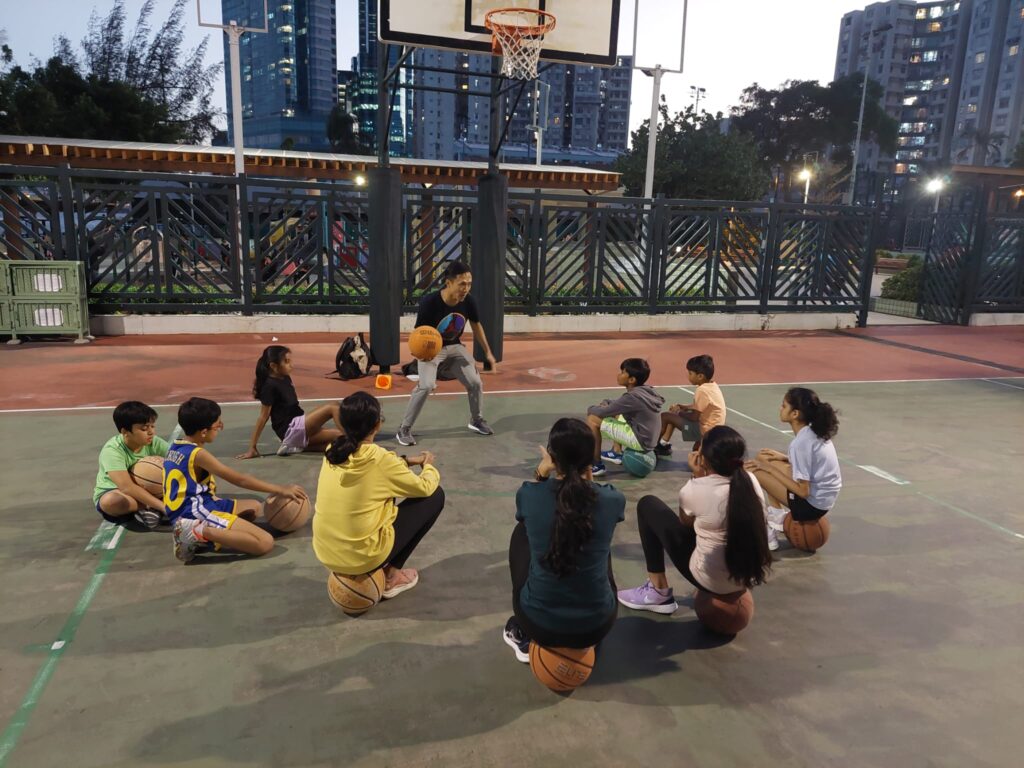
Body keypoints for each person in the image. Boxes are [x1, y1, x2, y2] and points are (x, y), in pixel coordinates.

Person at [503, 418, 625, 662]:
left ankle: (523, 636)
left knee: (522, 531)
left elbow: (532, 505)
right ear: (590, 460)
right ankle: (585, 635)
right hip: (597, 626)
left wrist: (541, 473)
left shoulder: (529, 495)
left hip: (538, 625)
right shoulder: (613, 499)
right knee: (598, 539)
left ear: (552, 457)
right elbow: (583, 500)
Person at [617, 425, 772, 613]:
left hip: (711, 581)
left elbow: (685, 524)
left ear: (703, 459)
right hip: (748, 575)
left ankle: (658, 591)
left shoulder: (696, 490)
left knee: (648, 505)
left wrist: (697, 477)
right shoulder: (750, 480)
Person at [314, 391, 445, 599]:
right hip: (362, 558)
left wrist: (406, 460)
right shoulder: (380, 459)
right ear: (377, 425)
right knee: (435, 496)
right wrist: (428, 466)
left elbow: (382, 468)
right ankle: (392, 575)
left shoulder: (333, 450)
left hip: (325, 553)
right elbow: (424, 487)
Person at [166, 397, 308, 563]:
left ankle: (205, 533)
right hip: (194, 512)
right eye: (217, 425)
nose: (221, 427)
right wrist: (280, 489)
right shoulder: (198, 454)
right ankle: (196, 531)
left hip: (189, 506)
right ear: (203, 432)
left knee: (254, 508)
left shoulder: (176, 446)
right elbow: (240, 480)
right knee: (265, 543)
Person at [396, 260, 498, 446]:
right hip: (431, 348)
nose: (466, 288)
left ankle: (476, 420)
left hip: (455, 346)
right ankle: (404, 428)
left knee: (475, 382)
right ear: (448, 283)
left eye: (469, 284)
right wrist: (421, 357)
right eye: (462, 284)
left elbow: (476, 326)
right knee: (426, 385)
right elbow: (419, 335)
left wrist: (488, 352)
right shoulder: (430, 302)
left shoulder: (469, 301)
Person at [745, 387, 842, 550]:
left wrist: (770, 470)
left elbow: (803, 491)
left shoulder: (800, 444)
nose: (780, 408)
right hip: (825, 499)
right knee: (764, 457)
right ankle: (777, 518)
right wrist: (785, 458)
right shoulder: (815, 432)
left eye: (784, 406)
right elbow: (813, 462)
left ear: (795, 414)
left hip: (811, 506)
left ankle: (772, 526)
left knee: (754, 471)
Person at [238, 345, 343, 459]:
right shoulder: (269, 386)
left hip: (299, 425)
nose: (291, 364)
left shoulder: (285, 377)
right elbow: (263, 417)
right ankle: (292, 442)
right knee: (333, 407)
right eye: (286, 361)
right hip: (290, 429)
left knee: (340, 440)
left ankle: (294, 446)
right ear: (273, 366)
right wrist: (252, 447)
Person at [93, 401, 170, 530]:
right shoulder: (112, 450)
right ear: (125, 431)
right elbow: (126, 487)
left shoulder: (153, 442)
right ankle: (153, 508)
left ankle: (147, 511)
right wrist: (163, 507)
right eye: (144, 429)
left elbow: (179, 459)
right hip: (118, 492)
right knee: (110, 502)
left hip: (149, 490)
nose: (151, 432)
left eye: (152, 426)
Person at [585, 358, 665, 477]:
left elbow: (603, 412)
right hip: (648, 439)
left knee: (593, 419)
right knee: (618, 413)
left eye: (622, 372)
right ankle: (616, 452)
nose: (619, 374)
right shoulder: (645, 391)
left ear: (631, 380)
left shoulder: (632, 397)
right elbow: (618, 404)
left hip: (640, 441)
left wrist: (591, 408)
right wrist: (607, 402)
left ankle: (596, 465)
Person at [655, 354, 726, 457]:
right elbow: (700, 407)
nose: (688, 376)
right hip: (714, 431)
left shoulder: (701, 390)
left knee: (666, 416)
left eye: (690, 373)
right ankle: (663, 444)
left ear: (700, 376)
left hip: (704, 431)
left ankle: (652, 447)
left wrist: (679, 412)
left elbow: (694, 417)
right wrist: (684, 407)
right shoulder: (712, 386)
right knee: (695, 450)